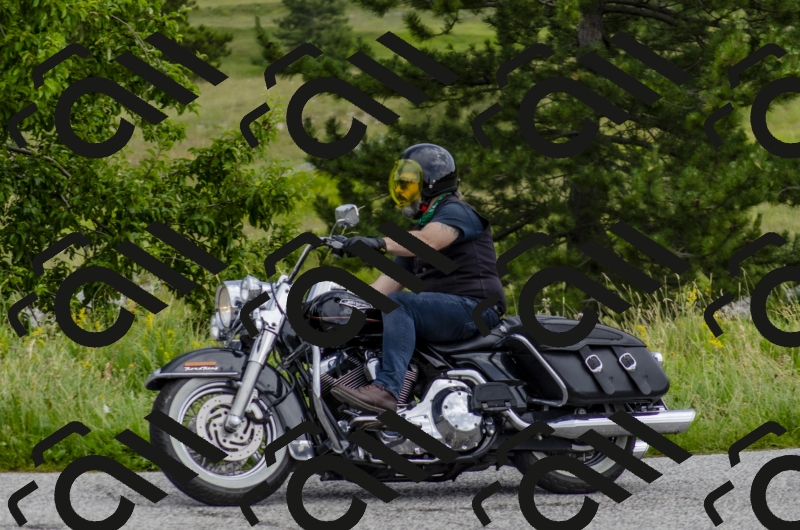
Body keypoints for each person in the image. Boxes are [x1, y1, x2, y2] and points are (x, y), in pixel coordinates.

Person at [330, 143, 506, 413]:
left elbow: (429, 241)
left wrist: (377, 243)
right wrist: (337, 301)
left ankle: (387, 389)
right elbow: (379, 290)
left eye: (409, 184)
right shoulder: (417, 236)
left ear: (430, 184)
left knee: (400, 304)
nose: (402, 191)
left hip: (477, 308)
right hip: (448, 312)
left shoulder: (457, 212)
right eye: (400, 185)